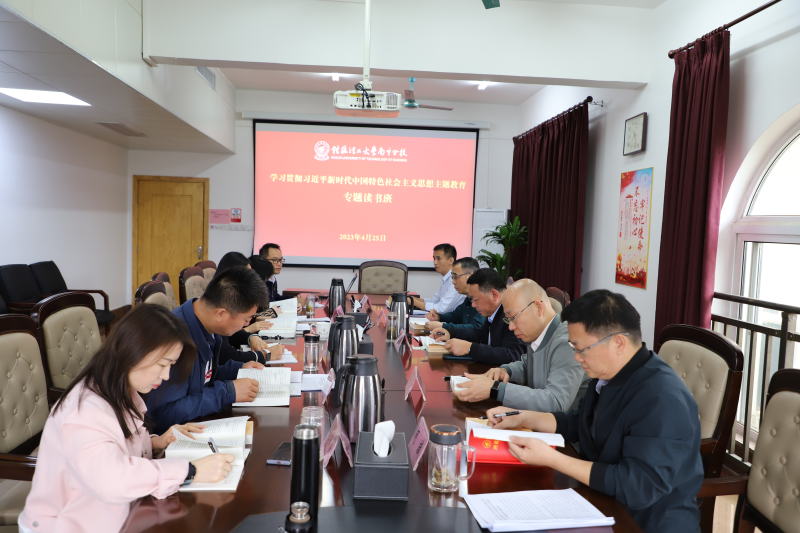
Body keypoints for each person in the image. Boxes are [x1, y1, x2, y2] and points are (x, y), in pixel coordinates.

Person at [484, 290, 703, 533]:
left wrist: (551, 458)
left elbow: (637, 486)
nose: (577, 358)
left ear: (618, 343)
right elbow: (580, 422)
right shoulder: (609, 374)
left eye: (581, 349)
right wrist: (523, 418)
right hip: (599, 502)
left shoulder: (661, 398)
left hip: (644, 522)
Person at [19, 305, 235, 533]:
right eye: (163, 364)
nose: (166, 375)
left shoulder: (117, 387)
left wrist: (155, 442)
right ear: (134, 350)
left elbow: (113, 445)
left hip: (113, 515)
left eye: (170, 366)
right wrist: (190, 471)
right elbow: (111, 478)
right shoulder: (83, 411)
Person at [145, 266, 270, 434]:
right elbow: (162, 415)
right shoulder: (175, 341)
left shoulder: (205, 322)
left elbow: (202, 377)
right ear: (221, 314)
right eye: (246, 320)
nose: (246, 325)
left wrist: (238, 369)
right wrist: (227, 392)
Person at [453, 279, 588, 412]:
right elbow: (526, 365)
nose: (511, 327)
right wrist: (506, 371)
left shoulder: (568, 343)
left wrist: (496, 389)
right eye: (508, 319)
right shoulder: (540, 334)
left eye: (514, 317)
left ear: (538, 308)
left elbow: (555, 402)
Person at [431, 268, 526, 365]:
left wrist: (470, 348)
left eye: (475, 299)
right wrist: (450, 333)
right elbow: (480, 333)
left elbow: (512, 356)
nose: (473, 305)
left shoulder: (513, 315)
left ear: (494, 295)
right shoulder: (494, 311)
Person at [424, 257, 485, 334]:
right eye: (452, 277)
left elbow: (476, 328)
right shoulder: (468, 299)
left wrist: (443, 326)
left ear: (470, 277)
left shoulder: (482, 299)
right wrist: (439, 317)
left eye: (456, 277)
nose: (453, 282)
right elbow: (455, 316)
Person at [412, 243, 465, 313]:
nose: (435, 262)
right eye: (434, 258)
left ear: (450, 260)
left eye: (438, 258)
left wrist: (413, 302)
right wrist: (412, 299)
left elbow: (441, 309)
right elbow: (434, 301)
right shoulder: (445, 278)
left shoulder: (456, 280)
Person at [259, 242, 305, 312]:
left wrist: (294, 299)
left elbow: (275, 297)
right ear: (263, 261)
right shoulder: (260, 280)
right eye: (275, 260)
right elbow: (268, 305)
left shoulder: (272, 278)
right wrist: (291, 304)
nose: (279, 264)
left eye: (281, 260)